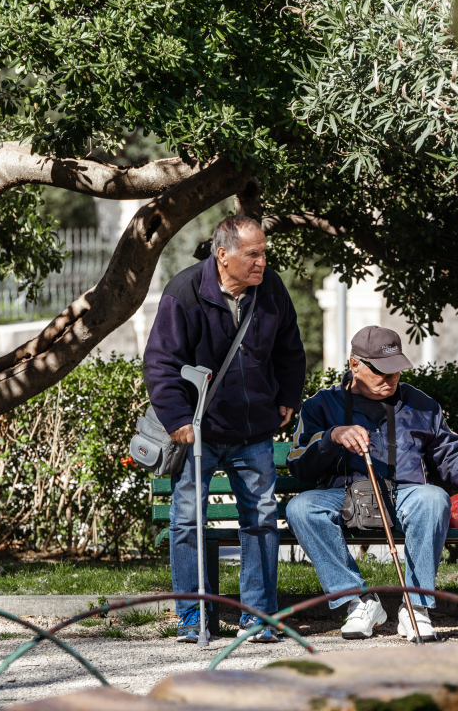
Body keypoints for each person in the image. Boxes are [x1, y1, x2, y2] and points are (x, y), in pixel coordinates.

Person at [286, 326, 458, 641]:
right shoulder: (319, 406)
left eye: (396, 371)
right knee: (301, 507)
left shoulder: (422, 405)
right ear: (354, 365)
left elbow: (450, 454)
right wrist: (331, 437)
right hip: (343, 496)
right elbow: (297, 463)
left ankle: (415, 606)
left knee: (433, 498)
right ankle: (358, 602)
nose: (391, 379)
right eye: (381, 371)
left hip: (406, 493)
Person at [144, 215, 305, 643]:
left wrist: (288, 394)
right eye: (252, 254)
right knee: (186, 521)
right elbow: (160, 364)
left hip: (253, 431)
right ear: (223, 256)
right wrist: (177, 419)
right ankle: (193, 618)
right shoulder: (185, 292)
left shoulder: (269, 289)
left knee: (261, 520)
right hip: (200, 430)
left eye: (264, 252)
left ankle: (258, 617)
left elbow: (290, 347)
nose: (261, 262)